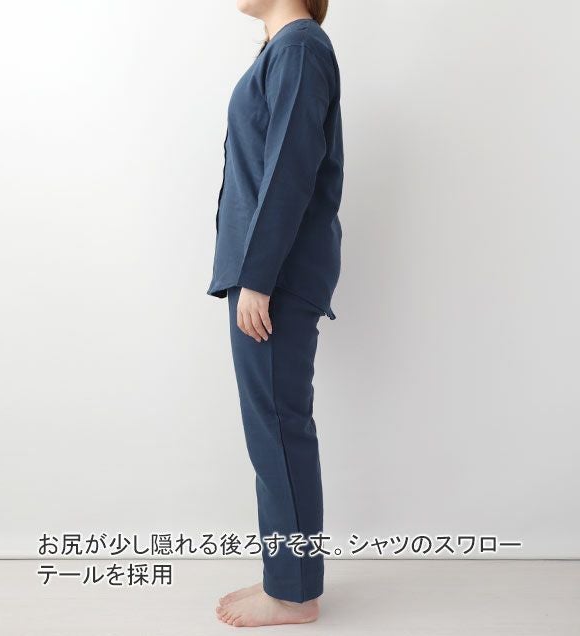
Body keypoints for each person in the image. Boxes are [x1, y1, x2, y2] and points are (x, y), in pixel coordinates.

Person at [207, 0, 343, 627]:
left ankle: (293, 594)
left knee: (280, 431)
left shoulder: (298, 49)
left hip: (275, 279)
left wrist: (258, 279)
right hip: (266, 275)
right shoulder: (284, 50)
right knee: (275, 431)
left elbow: (289, 170)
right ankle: (288, 579)